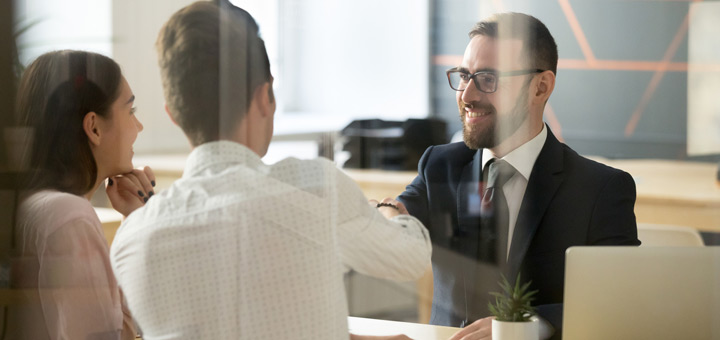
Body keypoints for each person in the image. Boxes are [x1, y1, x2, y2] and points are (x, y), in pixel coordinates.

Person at [109, 1, 431, 339]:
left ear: (173, 114)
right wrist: (388, 210)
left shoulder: (131, 240)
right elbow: (410, 259)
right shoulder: (315, 186)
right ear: (265, 96)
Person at [397, 12, 640, 340]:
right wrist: (385, 213)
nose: (467, 95)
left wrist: (529, 324)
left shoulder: (601, 189)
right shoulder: (440, 166)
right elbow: (398, 216)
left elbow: (621, 298)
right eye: (464, 76)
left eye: (487, 78)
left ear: (540, 87)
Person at [9, 50, 154, 340]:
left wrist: (133, 220)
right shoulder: (69, 215)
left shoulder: (33, 204)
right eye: (130, 110)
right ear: (94, 127)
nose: (139, 127)